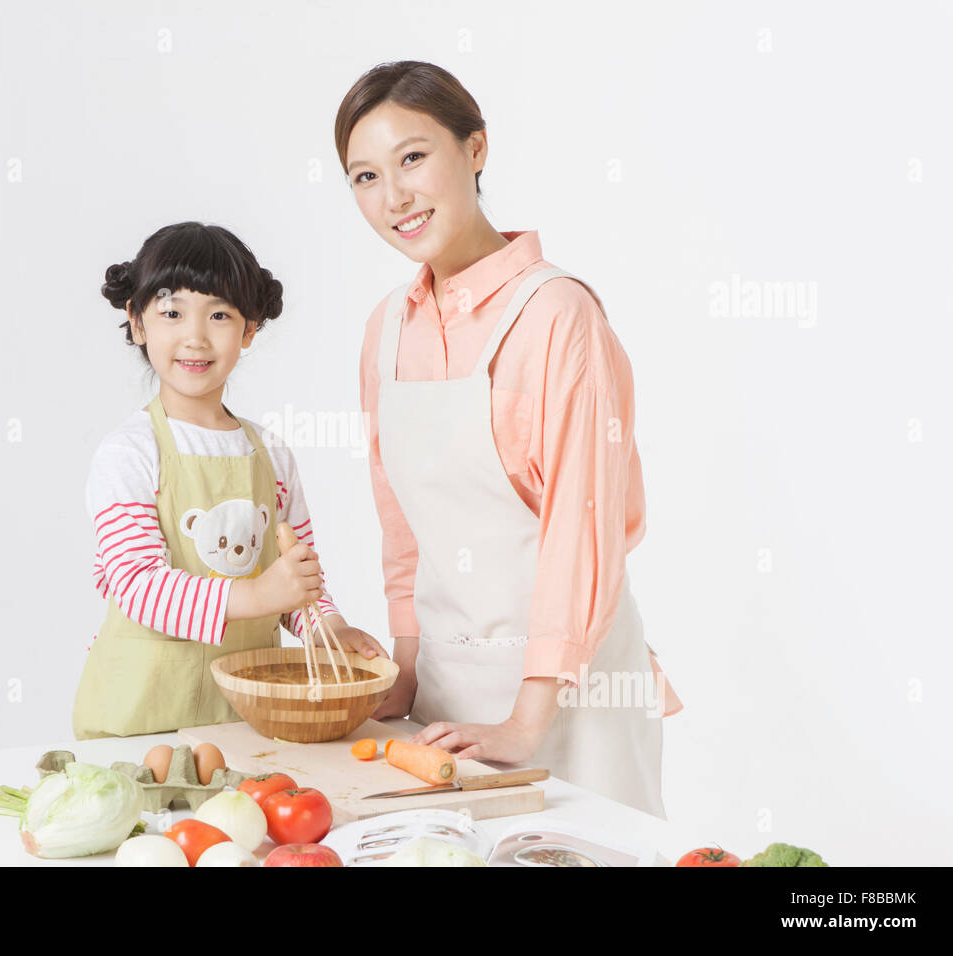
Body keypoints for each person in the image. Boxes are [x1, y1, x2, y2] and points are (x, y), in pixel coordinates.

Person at [334, 62, 682, 817]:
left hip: (571, 702)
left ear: (477, 149)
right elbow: (404, 530)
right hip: (447, 699)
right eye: (365, 176)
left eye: (413, 158)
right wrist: (404, 670)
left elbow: (579, 534)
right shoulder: (386, 330)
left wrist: (529, 719)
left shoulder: (558, 317)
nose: (393, 198)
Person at [73, 221, 386, 739]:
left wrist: (327, 627)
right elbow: (138, 585)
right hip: (138, 721)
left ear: (249, 329)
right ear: (138, 322)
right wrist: (260, 596)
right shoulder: (128, 453)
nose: (195, 336)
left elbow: (298, 578)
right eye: (172, 313)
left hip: (243, 721)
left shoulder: (272, 456)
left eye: (219, 314)